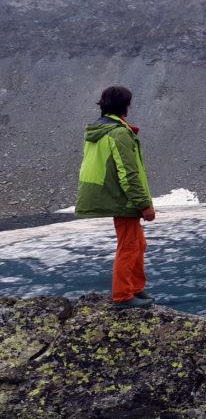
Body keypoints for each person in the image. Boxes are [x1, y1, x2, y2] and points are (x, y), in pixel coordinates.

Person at [75, 86, 157, 309]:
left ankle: (135, 288)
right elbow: (128, 173)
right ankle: (123, 295)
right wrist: (144, 205)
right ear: (125, 106)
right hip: (122, 197)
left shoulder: (99, 130)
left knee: (137, 242)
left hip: (110, 193)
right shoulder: (119, 133)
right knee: (129, 245)